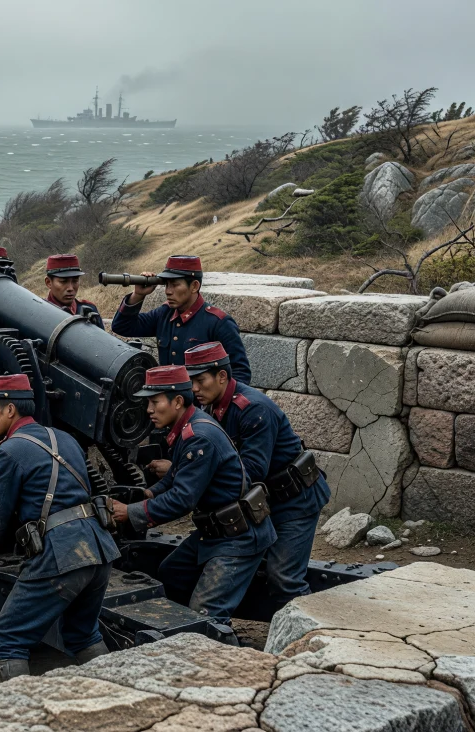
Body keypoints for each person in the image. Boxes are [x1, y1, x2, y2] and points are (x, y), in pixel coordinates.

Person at [0, 374, 118, 680]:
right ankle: (121, 699)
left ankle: (21, 718)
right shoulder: (65, 440)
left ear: (10, 410)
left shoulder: (8, 452)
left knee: (5, 641)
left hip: (62, 555)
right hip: (99, 550)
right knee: (83, 635)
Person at [108, 365, 275, 639]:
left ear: (176, 401)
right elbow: (176, 476)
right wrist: (149, 494)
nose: (149, 409)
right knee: (172, 572)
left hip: (238, 536)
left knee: (207, 611)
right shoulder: (189, 426)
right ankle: (178, 633)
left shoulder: (199, 436)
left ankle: (218, 650)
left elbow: (182, 499)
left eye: (154, 401)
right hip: (218, 530)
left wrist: (132, 512)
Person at [184, 342, 328, 618]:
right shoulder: (213, 408)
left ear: (222, 377)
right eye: (191, 382)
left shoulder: (253, 409)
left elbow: (252, 471)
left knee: (285, 579)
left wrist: (195, 479)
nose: (194, 389)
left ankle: (314, 636)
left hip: (294, 501)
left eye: (200, 380)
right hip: (261, 504)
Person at [109, 255, 250, 382]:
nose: (168, 291)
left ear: (194, 286)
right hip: (168, 406)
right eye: (166, 285)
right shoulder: (164, 314)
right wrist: (138, 295)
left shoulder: (218, 323)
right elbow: (122, 326)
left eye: (175, 285)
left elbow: (240, 373)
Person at [43, 253, 104, 328]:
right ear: (48, 282)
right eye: (63, 281)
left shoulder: (90, 310)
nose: (70, 288)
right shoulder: (41, 314)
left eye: (75, 281)